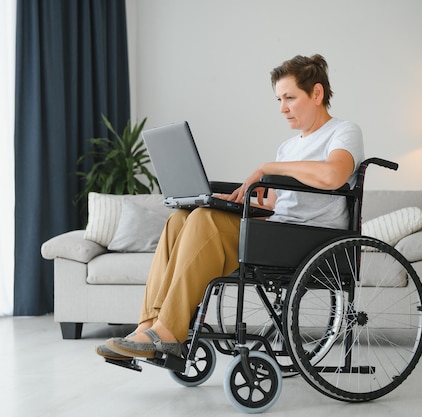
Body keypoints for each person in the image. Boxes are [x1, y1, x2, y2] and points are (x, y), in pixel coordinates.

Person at [96, 54, 364, 360]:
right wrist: (232, 202)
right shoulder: (289, 147)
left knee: (205, 220)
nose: (282, 108)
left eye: (290, 98)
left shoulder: (344, 131)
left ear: (317, 94)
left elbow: (333, 175)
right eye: (279, 99)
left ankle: (169, 332)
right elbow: (275, 204)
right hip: (279, 230)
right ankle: (147, 327)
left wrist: (268, 167)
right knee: (182, 218)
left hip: (310, 239)